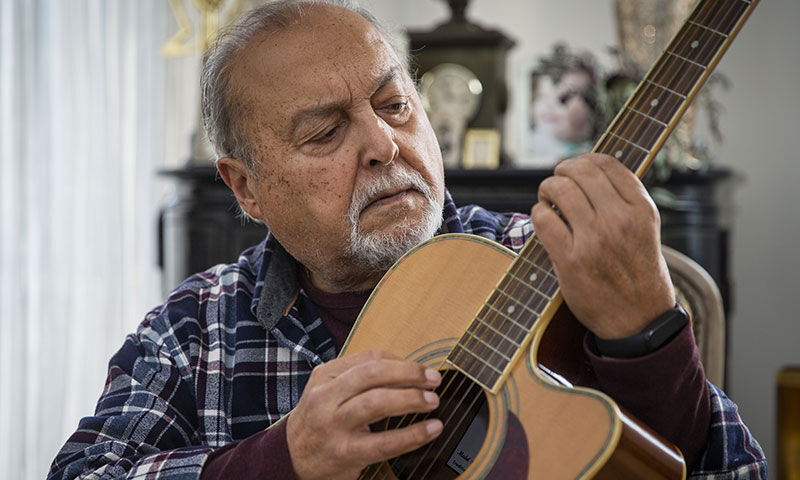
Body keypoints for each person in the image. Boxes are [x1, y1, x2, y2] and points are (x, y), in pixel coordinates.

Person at [48, 1, 767, 479]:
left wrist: (649, 341)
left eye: (395, 105)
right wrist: (281, 457)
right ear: (246, 189)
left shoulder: (559, 259)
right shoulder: (194, 326)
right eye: (326, 132)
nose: (385, 145)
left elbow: (732, 471)